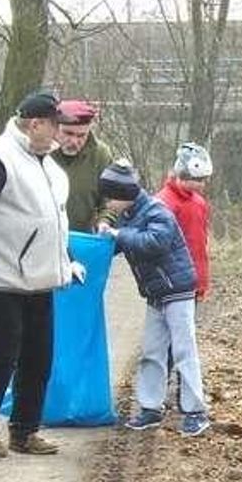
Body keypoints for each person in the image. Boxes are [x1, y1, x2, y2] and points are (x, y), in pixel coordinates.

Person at [0, 91, 85, 458]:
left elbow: (54, 221)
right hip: (0, 277)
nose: (61, 134)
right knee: (2, 353)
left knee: (38, 357)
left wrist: (68, 258)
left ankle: (24, 431)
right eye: (56, 126)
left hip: (39, 277)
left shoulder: (47, 164)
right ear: (36, 124)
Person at [96, 160, 210, 437]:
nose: (108, 203)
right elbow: (123, 241)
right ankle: (150, 407)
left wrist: (119, 234)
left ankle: (196, 411)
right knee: (152, 351)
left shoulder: (157, 211)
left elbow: (154, 242)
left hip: (178, 290)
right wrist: (101, 242)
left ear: (124, 195)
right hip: (156, 293)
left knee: (184, 350)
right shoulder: (128, 215)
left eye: (111, 197)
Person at [156, 142, 213, 301]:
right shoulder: (163, 203)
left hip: (191, 280)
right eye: (199, 180)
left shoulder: (199, 203)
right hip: (170, 283)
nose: (203, 184)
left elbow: (199, 246)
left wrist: (201, 284)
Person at [51, 98, 116, 231]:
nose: (74, 141)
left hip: (81, 238)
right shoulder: (41, 150)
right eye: (68, 133)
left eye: (81, 136)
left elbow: (109, 199)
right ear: (55, 128)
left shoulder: (100, 155)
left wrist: (105, 221)